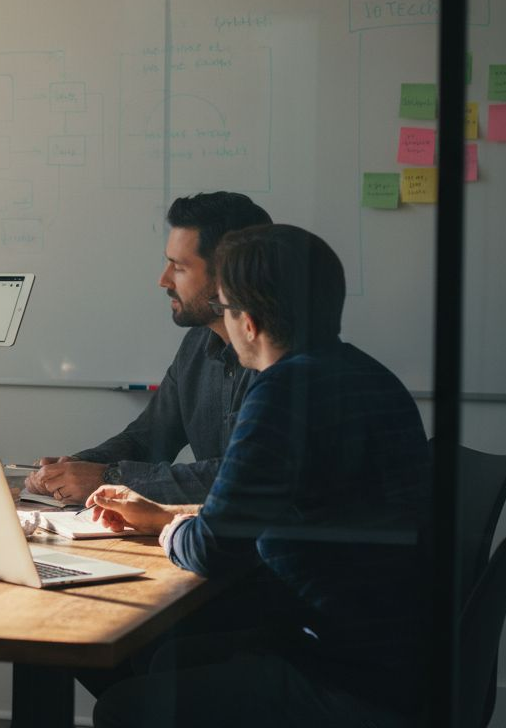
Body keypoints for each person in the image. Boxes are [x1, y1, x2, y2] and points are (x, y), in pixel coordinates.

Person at [83, 224, 430, 727]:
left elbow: (214, 548)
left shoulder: (282, 392)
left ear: (247, 322)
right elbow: (274, 509)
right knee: (166, 657)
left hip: (343, 670)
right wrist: (166, 516)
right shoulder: (364, 374)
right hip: (392, 648)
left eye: (222, 309)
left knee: (126, 706)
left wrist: (173, 529)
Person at [26, 192, 272, 506]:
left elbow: (242, 476)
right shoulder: (197, 342)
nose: (163, 280)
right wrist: (72, 467)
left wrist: (110, 478)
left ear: (229, 274)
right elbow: (149, 438)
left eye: (179, 268)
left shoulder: (281, 356)